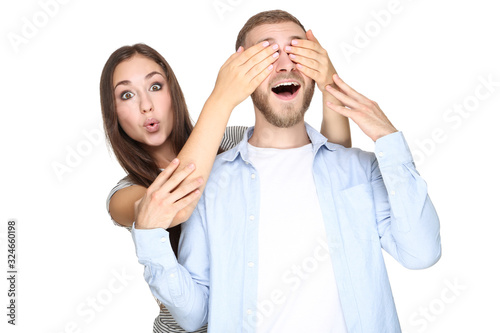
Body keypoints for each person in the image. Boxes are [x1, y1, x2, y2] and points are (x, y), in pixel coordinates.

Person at [131, 9, 442, 332]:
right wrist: (152, 243)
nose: (285, 64)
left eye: (298, 52)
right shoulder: (210, 183)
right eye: (266, 54)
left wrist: (388, 139)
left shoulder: (360, 170)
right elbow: (193, 316)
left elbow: (422, 253)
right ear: (242, 75)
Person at [101, 37, 351, 332]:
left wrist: (329, 84)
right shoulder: (124, 196)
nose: (146, 106)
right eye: (126, 95)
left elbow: (331, 166)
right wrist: (221, 99)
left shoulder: (232, 144)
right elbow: (177, 205)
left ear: (173, 92)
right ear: (114, 113)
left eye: (155, 87)